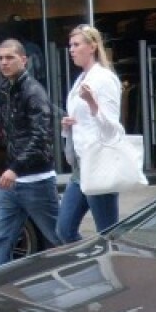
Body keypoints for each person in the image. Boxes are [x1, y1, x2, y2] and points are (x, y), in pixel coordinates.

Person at [0, 38, 60, 268]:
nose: (4, 63)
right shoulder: (6, 90)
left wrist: (13, 168)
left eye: (9, 58)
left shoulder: (33, 91)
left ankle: (85, 280)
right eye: (0, 58)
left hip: (36, 181)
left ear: (24, 60)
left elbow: (41, 138)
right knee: (0, 238)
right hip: (13, 182)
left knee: (59, 239)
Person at [57, 23, 124, 245]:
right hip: (80, 165)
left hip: (98, 164)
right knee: (64, 229)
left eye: (76, 44)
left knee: (108, 234)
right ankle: (91, 266)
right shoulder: (81, 80)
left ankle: (112, 271)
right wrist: (67, 126)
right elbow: (83, 124)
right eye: (70, 45)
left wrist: (93, 105)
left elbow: (113, 129)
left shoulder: (104, 79)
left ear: (92, 46)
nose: (71, 50)